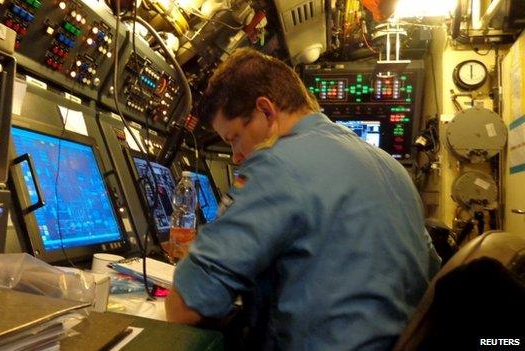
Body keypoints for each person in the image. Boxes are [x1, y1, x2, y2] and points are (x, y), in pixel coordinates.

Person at [165, 48, 441, 350]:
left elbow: (184, 309)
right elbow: (428, 277)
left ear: (266, 111)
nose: (236, 157)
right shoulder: (390, 166)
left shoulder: (276, 164)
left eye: (234, 138)